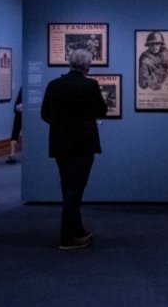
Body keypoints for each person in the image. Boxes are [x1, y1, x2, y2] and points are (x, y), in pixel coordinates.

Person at [40, 49, 107, 250]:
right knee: (76, 189)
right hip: (83, 144)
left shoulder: (54, 85)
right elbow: (101, 110)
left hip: (61, 143)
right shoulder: (90, 85)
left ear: (69, 64)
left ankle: (77, 228)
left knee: (68, 186)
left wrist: (62, 125)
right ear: (86, 67)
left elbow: (45, 114)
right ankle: (67, 237)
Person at [7, 88, 23, 164]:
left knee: (15, 132)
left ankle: (12, 154)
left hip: (18, 109)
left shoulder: (21, 88)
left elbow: (17, 100)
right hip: (25, 110)